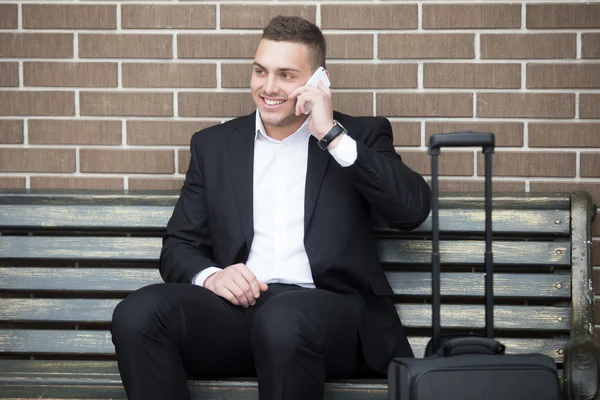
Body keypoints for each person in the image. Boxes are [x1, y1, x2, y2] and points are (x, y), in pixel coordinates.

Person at [110, 15, 431, 400]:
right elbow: (179, 246)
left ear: (318, 82)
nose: (268, 87)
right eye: (260, 71)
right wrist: (212, 276)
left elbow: (411, 210)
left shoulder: (358, 136)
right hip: (242, 312)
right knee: (137, 314)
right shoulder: (215, 147)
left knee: (284, 319)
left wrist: (331, 136)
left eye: (286, 75)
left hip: (333, 316)